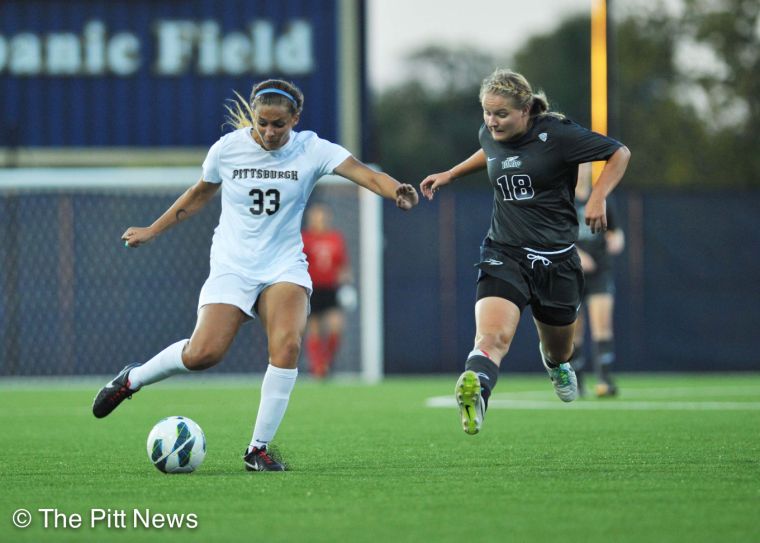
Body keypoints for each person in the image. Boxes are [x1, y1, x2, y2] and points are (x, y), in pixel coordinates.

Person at [92, 79, 419, 470]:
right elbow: (198, 194)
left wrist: (395, 189)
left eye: (279, 124)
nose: (269, 132)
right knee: (202, 354)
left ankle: (257, 449)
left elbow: (363, 174)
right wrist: (152, 229)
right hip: (233, 265)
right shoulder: (228, 149)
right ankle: (133, 379)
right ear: (253, 116)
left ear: (295, 119)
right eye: (262, 122)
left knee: (287, 346)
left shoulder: (312, 148)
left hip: (284, 265)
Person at [420, 69, 630, 435]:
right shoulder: (490, 132)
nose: (491, 121)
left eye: (501, 114)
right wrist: (451, 174)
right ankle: (477, 390)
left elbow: (619, 153)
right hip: (506, 252)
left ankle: (557, 365)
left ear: (526, 111)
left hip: (558, 260)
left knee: (559, 350)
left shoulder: (557, 134)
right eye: (487, 112)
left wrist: (598, 197)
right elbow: (489, 151)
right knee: (491, 338)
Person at [573, 163, 625, 397]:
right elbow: (552, 235)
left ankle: (604, 379)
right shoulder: (562, 199)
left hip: (600, 271)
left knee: (602, 325)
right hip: (571, 275)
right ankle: (575, 383)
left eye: (584, 165)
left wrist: (616, 238)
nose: (580, 170)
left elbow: (614, 229)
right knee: (573, 331)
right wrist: (577, 254)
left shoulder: (601, 196)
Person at [301, 203, 353, 378]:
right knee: (314, 328)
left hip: (330, 289)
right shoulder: (304, 239)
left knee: (336, 326)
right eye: (316, 217)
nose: (320, 220)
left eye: (323, 217)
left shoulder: (335, 238)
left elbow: (342, 265)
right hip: (312, 289)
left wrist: (346, 284)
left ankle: (326, 361)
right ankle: (317, 368)